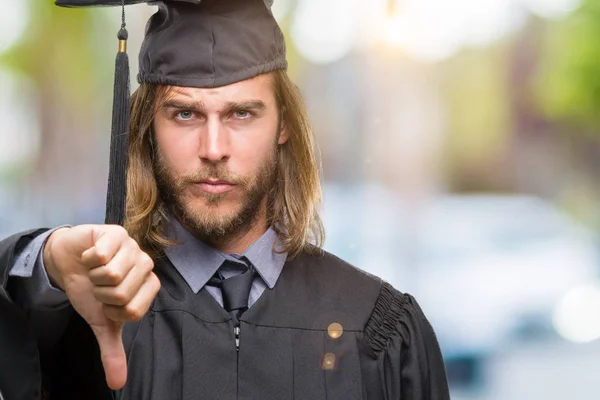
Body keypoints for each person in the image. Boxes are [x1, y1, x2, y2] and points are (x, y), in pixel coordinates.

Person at [0, 0, 450, 399]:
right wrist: (50, 260)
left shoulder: (379, 328)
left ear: (283, 126)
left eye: (241, 113)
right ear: (147, 130)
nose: (213, 148)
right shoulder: (94, 314)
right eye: (184, 113)